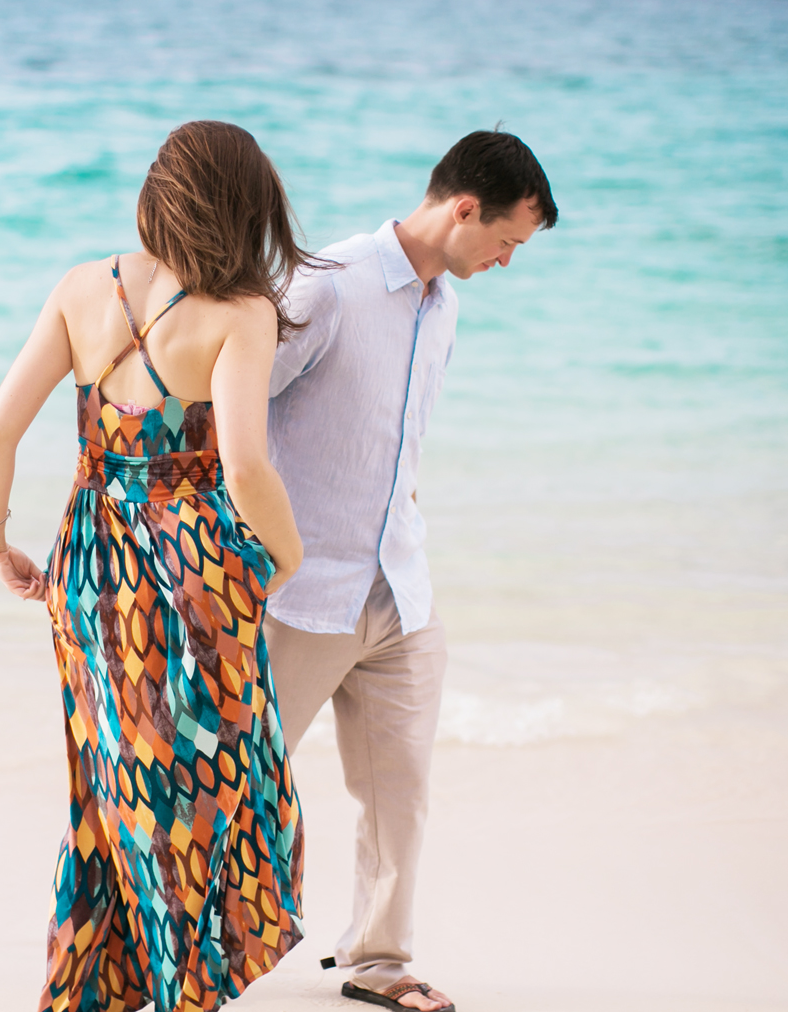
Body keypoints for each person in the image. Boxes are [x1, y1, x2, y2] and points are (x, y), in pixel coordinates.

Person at [0, 121, 317, 1012]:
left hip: (87, 573)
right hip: (189, 574)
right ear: (247, 210)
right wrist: (285, 553)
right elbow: (244, 467)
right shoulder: (241, 313)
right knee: (213, 783)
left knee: (111, 789)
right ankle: (184, 987)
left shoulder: (82, 288)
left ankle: (101, 988)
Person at [262, 130, 559, 1012]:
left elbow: (402, 438)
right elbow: (230, 411)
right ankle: (167, 943)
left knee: (401, 788)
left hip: (402, 589)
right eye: (507, 242)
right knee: (239, 778)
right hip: (300, 592)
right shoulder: (328, 284)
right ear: (465, 208)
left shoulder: (445, 306)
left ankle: (378, 960)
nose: (506, 262)